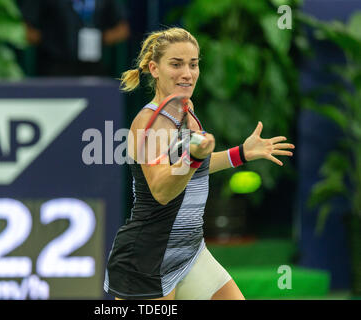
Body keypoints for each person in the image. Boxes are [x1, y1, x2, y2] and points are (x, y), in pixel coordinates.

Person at [103, 27, 295, 300]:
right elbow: (161, 190)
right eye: (176, 64)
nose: (187, 73)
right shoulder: (149, 122)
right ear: (154, 69)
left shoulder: (186, 108)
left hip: (191, 252)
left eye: (193, 64)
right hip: (146, 260)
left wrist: (240, 153)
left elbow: (196, 168)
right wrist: (192, 159)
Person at [18, 0, 129, 76]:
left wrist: (101, 39)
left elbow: (122, 29)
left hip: (93, 69)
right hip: (53, 69)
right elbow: (24, 29)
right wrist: (49, 41)